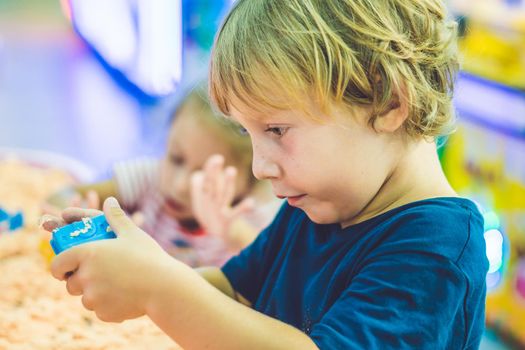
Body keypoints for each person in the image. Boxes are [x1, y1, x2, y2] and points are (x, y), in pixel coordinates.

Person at [42, 0, 489, 348]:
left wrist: (158, 288)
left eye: (276, 129)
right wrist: (137, 269)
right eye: (248, 132)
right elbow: (236, 290)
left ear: (389, 103)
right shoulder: (319, 201)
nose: (259, 167)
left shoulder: (436, 250)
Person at [45, 85, 279, 266]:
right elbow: (60, 196)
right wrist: (87, 223)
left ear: (251, 176)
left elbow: (274, 273)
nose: (179, 185)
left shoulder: (252, 217)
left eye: (205, 176)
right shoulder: (149, 179)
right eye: (176, 158)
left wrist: (233, 233)